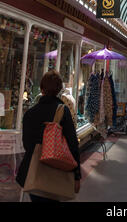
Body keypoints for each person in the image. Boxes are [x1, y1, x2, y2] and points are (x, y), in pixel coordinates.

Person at [16, 70, 81, 202]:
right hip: (57, 172)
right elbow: (73, 144)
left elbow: (27, 144)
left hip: (33, 172)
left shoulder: (30, 113)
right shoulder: (63, 111)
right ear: (59, 90)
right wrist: (77, 175)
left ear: (41, 88)